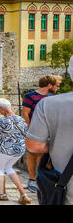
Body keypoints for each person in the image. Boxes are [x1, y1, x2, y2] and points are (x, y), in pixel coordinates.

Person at [26, 57, 73, 205]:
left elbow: (34, 146)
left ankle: (32, 179)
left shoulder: (49, 104)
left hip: (66, 187)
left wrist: (55, 143)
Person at [0, 99, 31, 204]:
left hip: (5, 150)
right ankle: (23, 194)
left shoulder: (2, 121)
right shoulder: (21, 119)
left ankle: (2, 194)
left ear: (2, 109)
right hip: (20, 149)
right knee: (9, 168)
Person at [22, 75, 60, 193]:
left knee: (44, 156)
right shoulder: (30, 96)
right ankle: (32, 179)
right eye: (56, 85)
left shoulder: (52, 97)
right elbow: (25, 114)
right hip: (34, 131)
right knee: (32, 155)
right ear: (49, 85)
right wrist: (30, 130)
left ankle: (41, 179)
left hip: (49, 131)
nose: (57, 88)